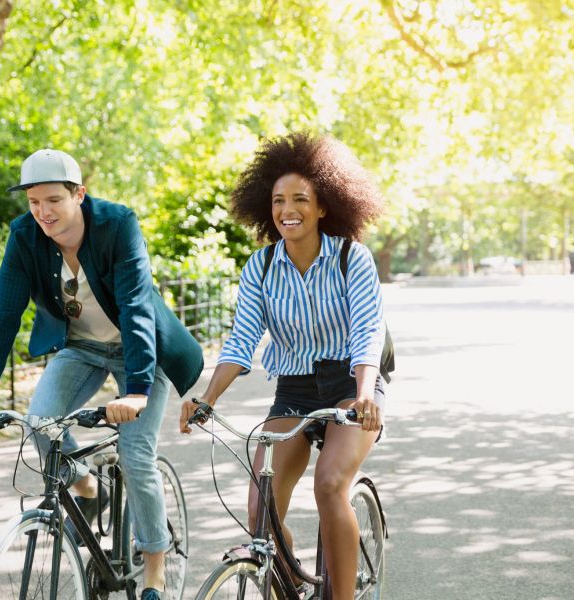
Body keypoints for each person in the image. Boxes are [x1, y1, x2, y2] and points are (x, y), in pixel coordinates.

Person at [0, 149, 202, 600]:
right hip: (82, 349)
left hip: (137, 354)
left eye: (53, 200)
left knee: (135, 456)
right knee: (40, 423)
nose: (43, 212)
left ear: (79, 194)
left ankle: (154, 566)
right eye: (33, 202)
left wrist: (136, 392)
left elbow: (135, 308)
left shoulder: (118, 225)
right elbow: (4, 314)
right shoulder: (24, 237)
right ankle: (89, 486)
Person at [179, 132, 387, 600]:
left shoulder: (351, 258)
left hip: (349, 387)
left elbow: (368, 331)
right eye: (277, 200)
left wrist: (366, 393)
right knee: (260, 512)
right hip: (293, 390)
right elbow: (241, 340)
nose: (286, 209)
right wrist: (206, 399)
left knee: (330, 484)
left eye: (300, 199)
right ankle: (291, 580)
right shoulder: (261, 266)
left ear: (323, 206)